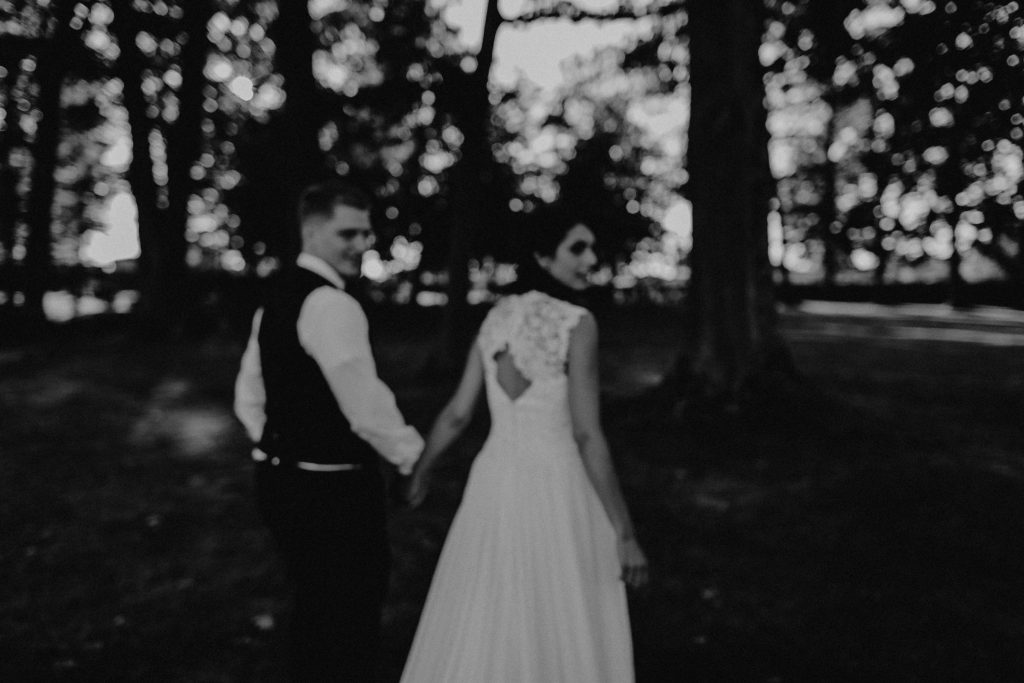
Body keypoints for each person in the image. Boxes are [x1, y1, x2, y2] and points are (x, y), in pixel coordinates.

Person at [400, 204, 649, 682]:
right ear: (543, 255)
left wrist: (423, 469)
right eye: (577, 248)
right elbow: (585, 433)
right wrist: (625, 532)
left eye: (592, 248)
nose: (589, 259)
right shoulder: (578, 323)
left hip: (494, 478)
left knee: (491, 605)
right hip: (556, 485)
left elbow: (457, 413)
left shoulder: (496, 317)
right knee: (558, 609)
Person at [233, 179, 423, 681]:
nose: (362, 245)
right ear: (312, 232)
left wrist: (274, 444)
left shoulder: (275, 299)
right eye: (349, 233)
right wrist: (410, 457)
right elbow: (365, 405)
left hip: (278, 481)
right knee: (349, 614)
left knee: (315, 603)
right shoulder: (332, 305)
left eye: (366, 234)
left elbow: (249, 395)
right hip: (331, 491)